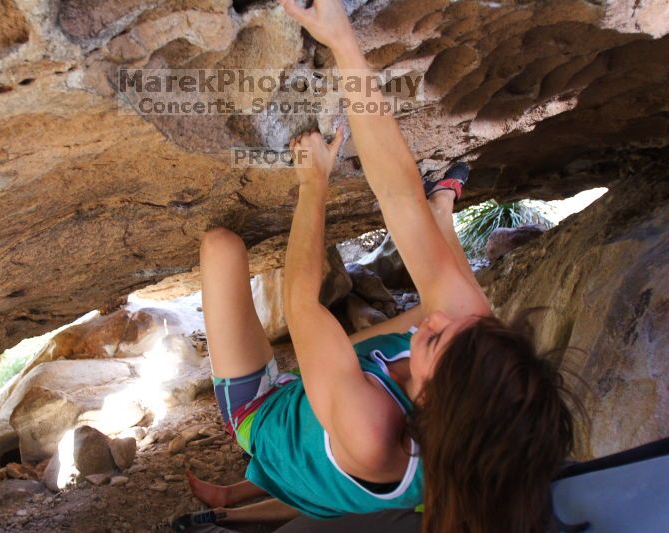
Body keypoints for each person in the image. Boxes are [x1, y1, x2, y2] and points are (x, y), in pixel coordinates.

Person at [177, 1, 577, 531]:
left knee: (222, 246)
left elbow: (301, 302)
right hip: (335, 397)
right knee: (455, 304)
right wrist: (344, 44)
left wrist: (313, 183)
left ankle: (255, 482)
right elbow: (400, 198)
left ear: (433, 403)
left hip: (268, 418)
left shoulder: (373, 435)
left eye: (434, 341)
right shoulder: (471, 349)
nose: (436, 320)